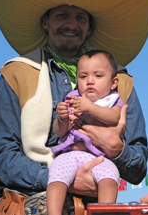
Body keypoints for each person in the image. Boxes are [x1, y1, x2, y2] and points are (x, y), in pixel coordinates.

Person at [0, 0, 148, 201]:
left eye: (80, 17)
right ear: (46, 22)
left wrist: (119, 151)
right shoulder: (16, 75)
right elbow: (0, 156)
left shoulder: (121, 82)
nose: (71, 24)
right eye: (62, 15)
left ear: (89, 27)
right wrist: (61, 178)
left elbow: (138, 166)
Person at [48, 50, 123, 214]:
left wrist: (90, 107)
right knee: (56, 177)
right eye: (83, 76)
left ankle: (104, 212)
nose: (90, 81)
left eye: (98, 76)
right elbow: (59, 133)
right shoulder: (72, 97)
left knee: (110, 177)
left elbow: (114, 117)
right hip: (70, 154)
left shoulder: (112, 100)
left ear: (113, 82)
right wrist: (62, 118)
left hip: (99, 158)